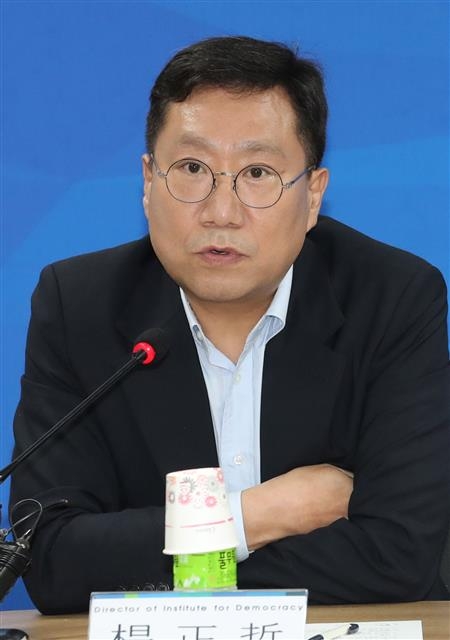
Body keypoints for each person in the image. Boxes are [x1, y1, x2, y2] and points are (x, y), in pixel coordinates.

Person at [10, 35, 450, 614]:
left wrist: (159, 563)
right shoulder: (79, 307)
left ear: (313, 196)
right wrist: (255, 516)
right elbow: (50, 559)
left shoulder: (392, 298)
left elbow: (399, 555)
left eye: (258, 172)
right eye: (192, 168)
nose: (221, 212)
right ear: (148, 182)